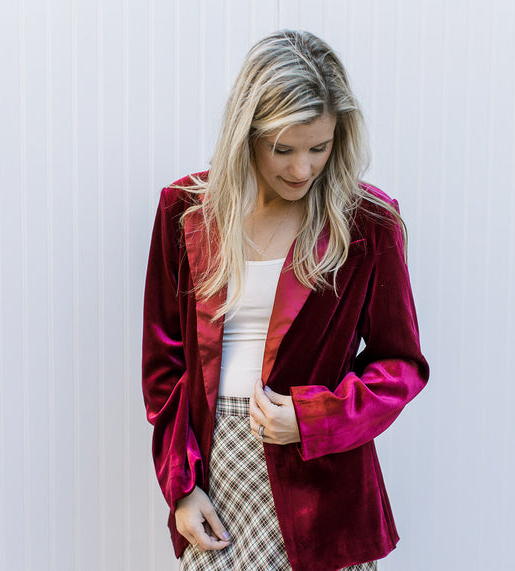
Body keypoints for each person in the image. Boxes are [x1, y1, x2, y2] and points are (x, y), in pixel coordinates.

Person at [142, 30, 429, 571]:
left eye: (318, 148)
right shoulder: (185, 211)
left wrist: (314, 418)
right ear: (247, 133)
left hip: (323, 480)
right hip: (218, 470)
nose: (302, 169)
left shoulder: (368, 222)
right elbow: (165, 367)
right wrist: (180, 486)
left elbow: (402, 364)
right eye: (283, 149)